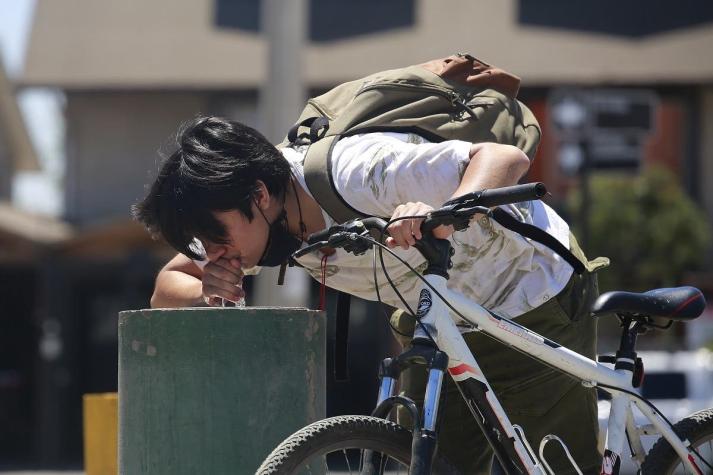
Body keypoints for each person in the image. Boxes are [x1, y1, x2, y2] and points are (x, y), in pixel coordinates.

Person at [134, 115, 607, 474]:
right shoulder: (252, 223)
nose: (213, 254)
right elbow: (165, 287)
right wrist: (205, 292)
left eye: (214, 237)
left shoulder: (360, 171)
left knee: (561, 465)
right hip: (441, 322)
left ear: (259, 195)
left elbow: (505, 159)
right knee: (432, 462)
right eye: (201, 245)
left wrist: (444, 212)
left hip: (531, 294)